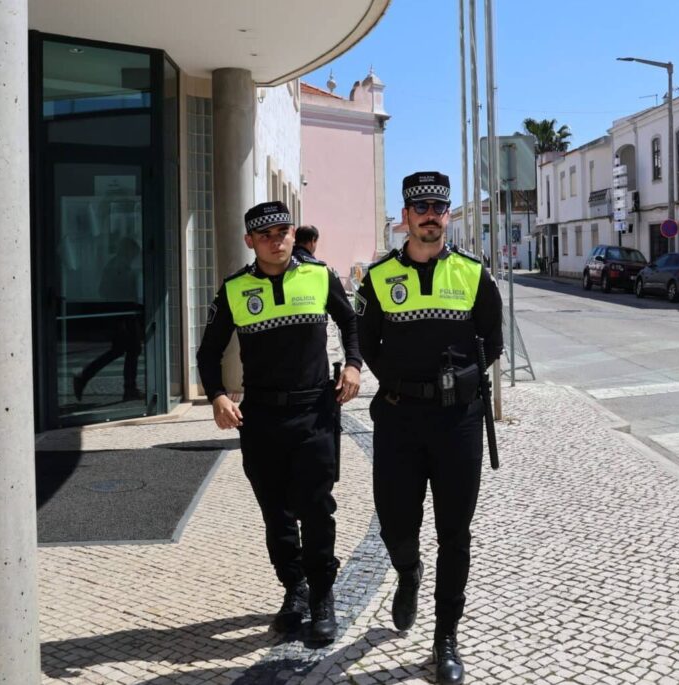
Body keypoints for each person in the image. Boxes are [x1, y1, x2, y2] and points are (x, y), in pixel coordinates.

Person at [356, 172, 503, 684]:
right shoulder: (378, 278)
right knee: (394, 523)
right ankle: (408, 571)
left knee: (455, 533)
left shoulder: (473, 273)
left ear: (446, 214)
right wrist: (398, 380)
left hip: (457, 421)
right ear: (406, 217)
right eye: (420, 208)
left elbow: (493, 340)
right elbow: (366, 342)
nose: (430, 216)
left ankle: (445, 639)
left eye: (438, 207)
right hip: (399, 417)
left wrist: (463, 379)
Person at [196, 201, 361, 644]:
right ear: (249, 241)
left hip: (314, 411)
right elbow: (208, 352)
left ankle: (322, 595)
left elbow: (351, 322)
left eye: (283, 231)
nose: (276, 240)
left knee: (316, 506)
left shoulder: (320, 276)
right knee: (276, 511)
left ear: (292, 234)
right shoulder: (234, 289)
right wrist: (217, 397)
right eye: (265, 235)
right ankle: (295, 589)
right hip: (262, 417)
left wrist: (353, 365)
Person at [73, 237, 143, 403]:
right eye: (133, 254)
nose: (134, 257)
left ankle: (87, 377)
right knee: (130, 349)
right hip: (123, 315)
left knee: (123, 350)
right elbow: (108, 290)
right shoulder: (118, 267)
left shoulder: (117, 265)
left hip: (124, 314)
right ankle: (128, 388)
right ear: (127, 251)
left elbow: (104, 290)